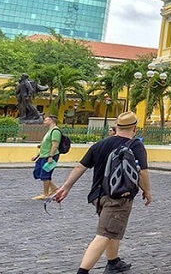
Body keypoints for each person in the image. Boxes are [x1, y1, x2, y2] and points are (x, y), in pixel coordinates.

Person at [54, 111, 152, 274]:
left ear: (116, 127)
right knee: (105, 233)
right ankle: (82, 271)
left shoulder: (100, 144)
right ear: (135, 128)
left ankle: (113, 262)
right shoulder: (135, 145)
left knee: (113, 228)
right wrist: (147, 191)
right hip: (117, 197)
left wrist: (66, 187)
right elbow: (142, 172)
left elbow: (80, 167)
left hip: (98, 196)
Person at [31, 114, 62, 200]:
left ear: (51, 121)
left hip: (50, 156)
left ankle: (45, 194)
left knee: (45, 174)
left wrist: (50, 156)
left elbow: (55, 145)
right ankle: (54, 188)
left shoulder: (55, 131)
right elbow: (44, 145)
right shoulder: (49, 131)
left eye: (46, 120)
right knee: (37, 173)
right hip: (43, 156)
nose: (44, 121)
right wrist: (37, 155)